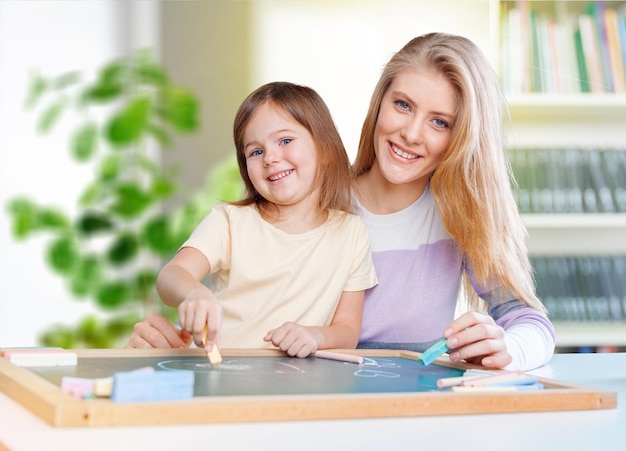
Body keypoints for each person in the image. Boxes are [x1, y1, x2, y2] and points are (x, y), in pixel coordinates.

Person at [127, 33, 555, 371]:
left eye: (439, 122)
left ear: (461, 138)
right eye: (402, 105)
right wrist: (178, 345)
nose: (411, 132)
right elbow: (246, 313)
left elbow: (532, 324)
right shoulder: (310, 202)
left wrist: (507, 350)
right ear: (379, 104)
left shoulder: (459, 219)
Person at [144, 81, 377, 357]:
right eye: (255, 151)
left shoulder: (352, 233)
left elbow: (347, 332)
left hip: (299, 384)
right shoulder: (228, 221)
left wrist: (314, 336)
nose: (270, 158)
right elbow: (172, 275)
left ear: (325, 149)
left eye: (285, 141)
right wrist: (195, 294)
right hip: (226, 377)